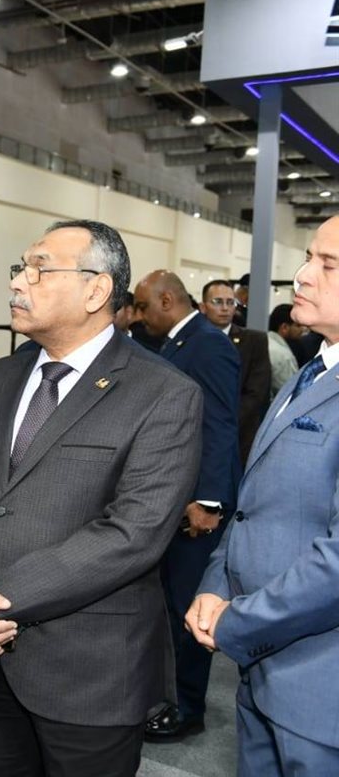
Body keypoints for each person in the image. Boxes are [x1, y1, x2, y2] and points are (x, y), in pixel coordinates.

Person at [0, 220, 203, 776]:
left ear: (96, 290)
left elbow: (132, 535)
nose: (17, 282)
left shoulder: (163, 394)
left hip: (90, 671)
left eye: (39, 269)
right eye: (20, 268)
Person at [188, 215, 339, 775]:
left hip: (320, 691)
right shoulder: (311, 372)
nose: (302, 276)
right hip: (264, 671)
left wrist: (236, 622)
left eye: (328, 265)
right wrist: (216, 584)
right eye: (309, 257)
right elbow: (255, 505)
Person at [132, 269, 241, 742]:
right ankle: (169, 696)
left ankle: (188, 708)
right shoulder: (178, 342)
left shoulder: (209, 344)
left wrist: (208, 500)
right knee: (170, 603)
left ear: (166, 301)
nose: (137, 315)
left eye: (142, 306)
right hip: (178, 498)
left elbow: (219, 424)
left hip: (200, 505)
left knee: (189, 607)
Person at [201, 279, 271, 463]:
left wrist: (224, 423)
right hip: (199, 432)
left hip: (239, 436)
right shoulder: (192, 340)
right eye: (217, 302)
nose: (225, 308)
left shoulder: (254, 341)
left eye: (230, 302)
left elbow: (256, 393)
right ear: (203, 307)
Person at [266, 303, 302, 396]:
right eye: (298, 325)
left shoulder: (264, 342)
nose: (302, 329)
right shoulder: (284, 356)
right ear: (284, 327)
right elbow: (289, 393)